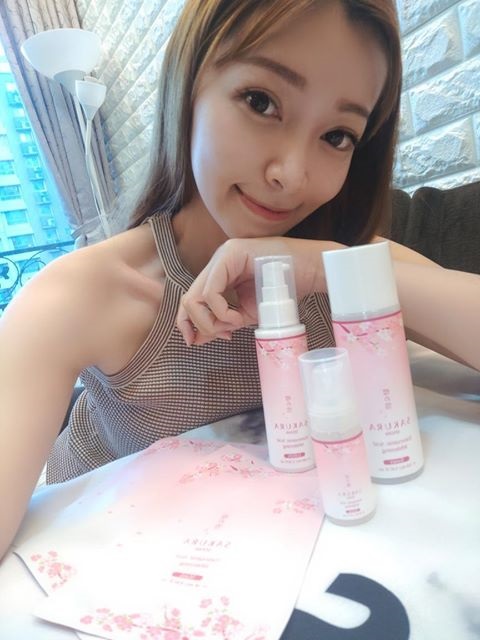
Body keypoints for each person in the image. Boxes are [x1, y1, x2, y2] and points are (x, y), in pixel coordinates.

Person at [1, 0, 479, 562]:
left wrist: (318, 267)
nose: (291, 175)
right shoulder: (85, 292)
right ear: (189, 87)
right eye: (261, 102)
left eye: (337, 136)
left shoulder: (335, 264)